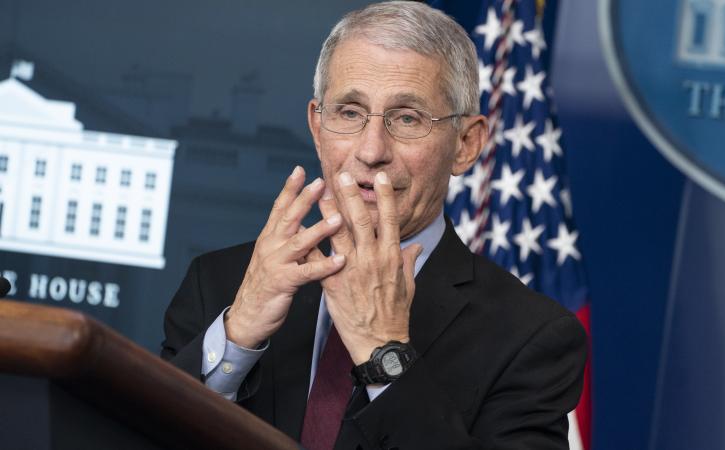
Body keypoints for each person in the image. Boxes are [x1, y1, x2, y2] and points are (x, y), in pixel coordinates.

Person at [161, 2, 586, 449]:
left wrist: (384, 353)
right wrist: (235, 342)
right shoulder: (219, 286)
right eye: (348, 112)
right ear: (317, 125)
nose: (371, 149)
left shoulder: (530, 337)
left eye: (407, 118)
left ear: (465, 144)